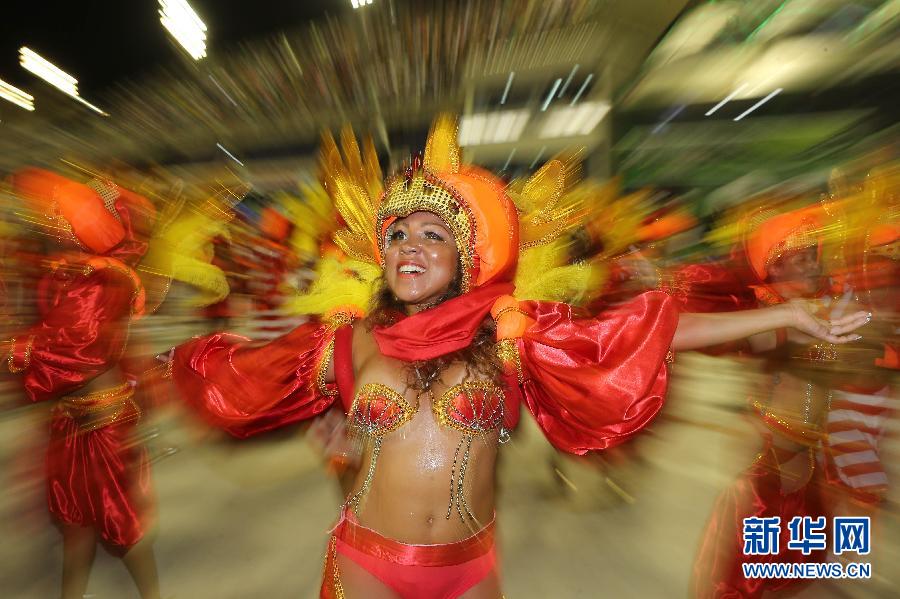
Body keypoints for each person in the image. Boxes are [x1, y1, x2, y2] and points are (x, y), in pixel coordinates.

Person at [165, 116, 868, 598]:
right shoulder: (347, 342)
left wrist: (788, 310)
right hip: (366, 565)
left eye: (432, 233)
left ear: (469, 255)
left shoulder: (510, 340)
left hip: (468, 568)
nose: (409, 243)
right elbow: (243, 382)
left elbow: (639, 334)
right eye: (398, 232)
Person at [3, 169, 162, 599]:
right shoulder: (76, 271)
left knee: (121, 530)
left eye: (61, 216)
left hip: (104, 421)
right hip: (70, 419)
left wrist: (13, 349)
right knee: (74, 527)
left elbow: (75, 343)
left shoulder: (104, 277)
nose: (53, 222)